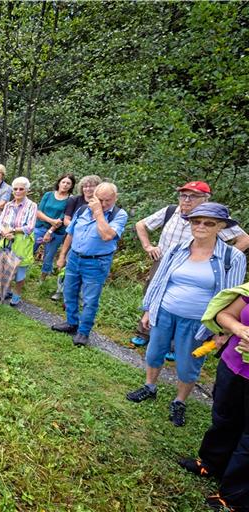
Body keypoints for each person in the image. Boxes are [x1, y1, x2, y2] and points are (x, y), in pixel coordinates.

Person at [126, 203, 245, 427]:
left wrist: (223, 331)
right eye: (195, 221)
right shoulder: (177, 249)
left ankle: (179, 401)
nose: (200, 226)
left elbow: (232, 298)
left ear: (220, 226)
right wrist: (149, 309)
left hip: (197, 322)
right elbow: (160, 280)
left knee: (187, 364)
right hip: (165, 311)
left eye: (208, 223)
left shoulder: (232, 258)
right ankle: (149, 387)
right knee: (154, 353)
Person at [131, 180, 249, 347]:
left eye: (193, 196)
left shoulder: (216, 218)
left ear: (205, 199)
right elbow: (141, 224)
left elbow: (245, 239)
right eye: (183, 195)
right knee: (153, 293)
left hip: (200, 267)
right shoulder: (171, 211)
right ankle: (145, 333)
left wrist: (222, 258)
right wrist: (148, 246)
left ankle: (174, 345)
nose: (186, 200)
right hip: (166, 261)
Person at [178, 281, 249, 511]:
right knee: (224, 419)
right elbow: (225, 314)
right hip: (233, 366)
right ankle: (211, 463)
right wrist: (239, 329)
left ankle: (233, 497)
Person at [51, 182, 128, 346]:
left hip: (96, 262)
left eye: (108, 200)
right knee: (69, 292)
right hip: (74, 258)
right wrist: (62, 255)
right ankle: (72, 323)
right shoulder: (82, 210)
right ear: (94, 197)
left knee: (90, 299)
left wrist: (99, 213)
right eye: (100, 200)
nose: (104, 203)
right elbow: (70, 234)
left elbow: (107, 235)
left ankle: (83, 332)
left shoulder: (119, 215)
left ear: (115, 198)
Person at [0, 176, 38, 304]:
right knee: (5, 267)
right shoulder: (8, 205)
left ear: (26, 190)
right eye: (15, 189)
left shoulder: (32, 205)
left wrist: (13, 231)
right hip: (6, 239)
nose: (18, 191)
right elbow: (0, 222)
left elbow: (30, 227)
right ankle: (6, 290)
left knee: (20, 270)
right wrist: (3, 232)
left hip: (21, 241)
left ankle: (17, 294)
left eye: (21, 189)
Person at [34, 174, 75, 281]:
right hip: (40, 227)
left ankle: (42, 280)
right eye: (63, 182)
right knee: (29, 249)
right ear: (59, 183)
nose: (65, 185)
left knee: (49, 256)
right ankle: (20, 274)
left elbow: (62, 218)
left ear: (71, 186)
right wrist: (51, 221)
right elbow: (38, 212)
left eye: (68, 183)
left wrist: (50, 231)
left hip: (57, 232)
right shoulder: (48, 195)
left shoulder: (70, 200)